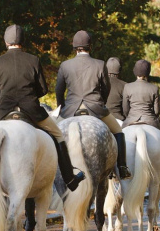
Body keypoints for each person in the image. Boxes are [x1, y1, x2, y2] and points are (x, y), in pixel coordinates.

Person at [0, 24, 85, 191]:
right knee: (58, 135)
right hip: (31, 111)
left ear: (6, 42)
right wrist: (29, 94)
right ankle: (70, 179)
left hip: (4, 112)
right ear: (23, 41)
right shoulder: (33, 60)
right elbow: (43, 89)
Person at [55, 30, 132, 180]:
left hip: (70, 110)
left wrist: (62, 106)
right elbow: (106, 88)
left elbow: (59, 90)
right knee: (118, 132)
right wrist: (100, 103)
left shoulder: (65, 65)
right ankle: (122, 167)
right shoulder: (100, 64)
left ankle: (53, 167)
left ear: (75, 46)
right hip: (95, 108)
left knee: (53, 135)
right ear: (90, 46)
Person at [122, 59, 160, 182]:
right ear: (148, 73)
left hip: (130, 121)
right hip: (150, 121)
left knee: (117, 139)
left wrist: (130, 116)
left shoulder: (127, 87)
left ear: (135, 71)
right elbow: (157, 111)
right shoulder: (154, 88)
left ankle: (116, 169)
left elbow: (125, 109)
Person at [106, 57, 126, 121]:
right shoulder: (124, 85)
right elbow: (126, 108)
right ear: (119, 70)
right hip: (117, 118)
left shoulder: (98, 83)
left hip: (100, 117)